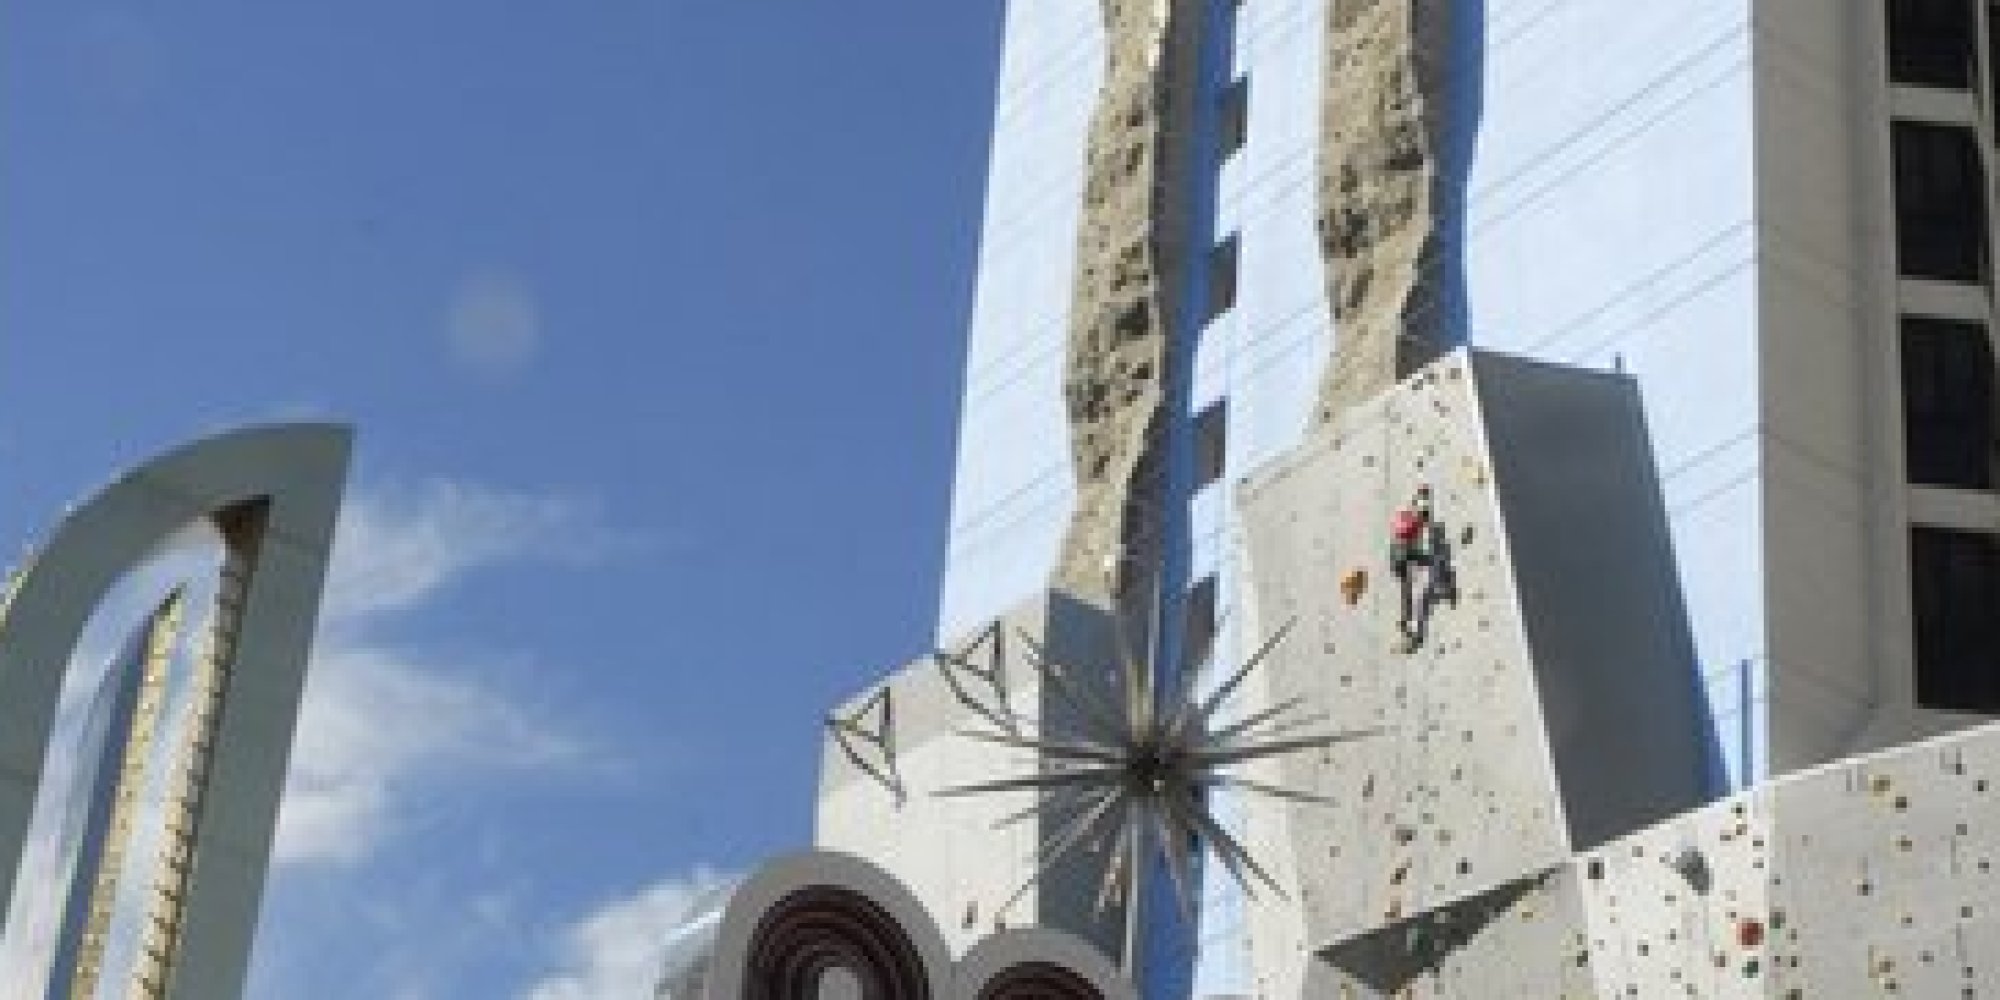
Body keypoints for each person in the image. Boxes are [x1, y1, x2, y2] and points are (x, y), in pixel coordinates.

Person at [1389, 486, 1433, 649]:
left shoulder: (1406, 515)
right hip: (1403, 561)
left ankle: (1405, 622)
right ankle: (1412, 632)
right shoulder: (1414, 526)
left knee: (1406, 594)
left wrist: (1418, 496)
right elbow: (1412, 553)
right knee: (1411, 596)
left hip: (1396, 556)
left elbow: (1411, 508)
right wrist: (1427, 560)